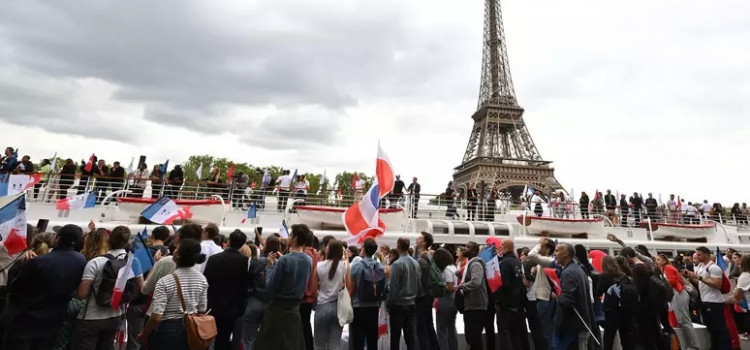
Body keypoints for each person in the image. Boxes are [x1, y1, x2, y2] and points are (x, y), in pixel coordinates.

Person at [0, 224, 85, 350]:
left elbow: (16, 287)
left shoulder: (38, 262)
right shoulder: (80, 260)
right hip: (53, 321)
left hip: (26, 319)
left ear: (58, 238)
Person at [73, 226, 144, 350]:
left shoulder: (95, 262)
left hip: (90, 317)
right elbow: (141, 288)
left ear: (109, 241)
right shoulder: (134, 261)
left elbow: (81, 294)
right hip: (116, 316)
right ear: (127, 242)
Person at [253, 224, 315, 350]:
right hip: (294, 310)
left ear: (296, 238)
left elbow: (270, 286)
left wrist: (271, 267)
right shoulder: (308, 260)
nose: (288, 237)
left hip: (277, 309)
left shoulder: (284, 260)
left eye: (291, 234)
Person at [140, 239, 208, 350]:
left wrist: (144, 333)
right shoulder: (201, 279)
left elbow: (156, 316)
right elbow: (202, 310)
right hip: (190, 328)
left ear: (177, 255)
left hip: (167, 329)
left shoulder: (165, 281)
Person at [203, 230, 250, 350]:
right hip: (231, 307)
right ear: (242, 245)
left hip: (212, 304)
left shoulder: (214, 258)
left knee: (206, 335)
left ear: (229, 241)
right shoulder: (244, 261)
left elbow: (206, 281)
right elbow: (244, 286)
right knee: (223, 338)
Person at [685, 246, 732, 350]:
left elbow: (717, 284)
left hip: (714, 301)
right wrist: (692, 277)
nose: (696, 256)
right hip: (705, 300)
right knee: (711, 327)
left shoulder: (713, 267)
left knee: (719, 328)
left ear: (706, 255)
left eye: (699, 254)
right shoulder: (701, 266)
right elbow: (702, 283)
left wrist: (700, 278)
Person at [243, 236, 280, 350]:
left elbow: (249, 277)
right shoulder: (282, 263)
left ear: (266, 246)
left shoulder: (258, 261)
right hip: (272, 304)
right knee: (270, 338)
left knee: (249, 337)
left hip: (255, 301)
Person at [312, 239, 351, 350]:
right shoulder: (344, 265)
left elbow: (314, 289)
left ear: (329, 250)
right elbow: (349, 285)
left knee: (319, 343)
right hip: (338, 307)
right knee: (335, 343)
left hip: (322, 306)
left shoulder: (319, 266)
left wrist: (319, 297)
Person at [553, 242, 593, 350]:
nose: (554, 254)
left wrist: (556, 296)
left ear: (565, 253)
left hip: (571, 327)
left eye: (557, 251)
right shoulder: (579, 270)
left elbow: (567, 300)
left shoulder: (568, 273)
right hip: (581, 323)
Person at [656, 254, 699, 350]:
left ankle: (694, 345)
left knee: (685, 321)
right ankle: (689, 345)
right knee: (682, 321)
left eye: (658, 260)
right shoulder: (667, 268)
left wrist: (661, 282)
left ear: (664, 260)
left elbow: (672, 281)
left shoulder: (667, 267)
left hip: (678, 293)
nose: (657, 262)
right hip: (677, 294)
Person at [350, 238, 384, 350]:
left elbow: (351, 285)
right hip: (374, 306)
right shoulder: (380, 267)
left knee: (358, 339)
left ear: (363, 249)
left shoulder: (357, 266)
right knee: (372, 339)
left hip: (358, 305)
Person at [388, 237, 420, 350]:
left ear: (398, 246)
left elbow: (394, 288)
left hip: (398, 305)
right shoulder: (416, 263)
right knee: (410, 337)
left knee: (395, 338)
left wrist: (389, 304)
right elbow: (418, 284)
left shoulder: (397, 264)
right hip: (411, 303)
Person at [496, 239, 527, 350]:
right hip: (517, 303)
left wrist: (498, 301)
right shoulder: (517, 262)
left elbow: (504, 284)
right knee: (515, 334)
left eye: (502, 245)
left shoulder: (504, 262)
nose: (500, 247)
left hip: (507, 304)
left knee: (504, 333)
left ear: (507, 247)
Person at [456, 241, 488, 350]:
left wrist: (461, 287)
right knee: (472, 338)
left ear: (474, 250)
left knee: (474, 337)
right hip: (472, 305)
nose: (465, 249)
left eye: (468, 247)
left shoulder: (475, 264)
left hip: (476, 306)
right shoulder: (471, 263)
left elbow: (476, 282)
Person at [433, 248, 458, 350]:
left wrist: (438, 284)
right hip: (453, 301)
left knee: (442, 330)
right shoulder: (453, 267)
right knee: (451, 328)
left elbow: (450, 287)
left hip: (445, 301)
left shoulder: (446, 269)